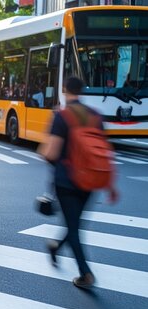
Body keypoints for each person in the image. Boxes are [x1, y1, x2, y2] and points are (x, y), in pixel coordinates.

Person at [38, 76, 119, 289]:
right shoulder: (96, 116)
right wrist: (110, 184)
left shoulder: (62, 116)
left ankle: (86, 274)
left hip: (67, 180)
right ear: (82, 91)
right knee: (74, 224)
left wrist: (44, 151)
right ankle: (56, 247)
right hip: (91, 179)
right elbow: (102, 150)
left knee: (73, 227)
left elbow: (51, 153)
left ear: (65, 90)